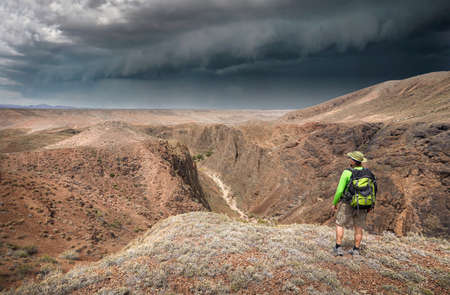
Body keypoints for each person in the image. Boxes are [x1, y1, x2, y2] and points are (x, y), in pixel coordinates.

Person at [332, 151, 376, 256]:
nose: (349, 160)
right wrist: (371, 204)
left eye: (350, 158)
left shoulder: (347, 172)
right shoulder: (368, 173)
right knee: (358, 227)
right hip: (363, 204)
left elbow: (339, 190)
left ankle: (338, 248)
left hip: (347, 203)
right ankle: (356, 249)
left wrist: (335, 203)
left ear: (353, 161)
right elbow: (373, 190)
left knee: (340, 223)